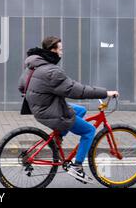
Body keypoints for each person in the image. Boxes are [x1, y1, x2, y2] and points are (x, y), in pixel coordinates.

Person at [21, 36, 118, 184]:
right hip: (49, 111)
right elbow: (76, 90)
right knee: (89, 131)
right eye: (60, 49)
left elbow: (22, 86)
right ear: (52, 50)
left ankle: (57, 137)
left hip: (41, 107)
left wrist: (41, 96)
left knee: (81, 110)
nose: (62, 52)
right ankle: (77, 167)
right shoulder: (51, 71)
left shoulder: (35, 65)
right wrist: (105, 93)